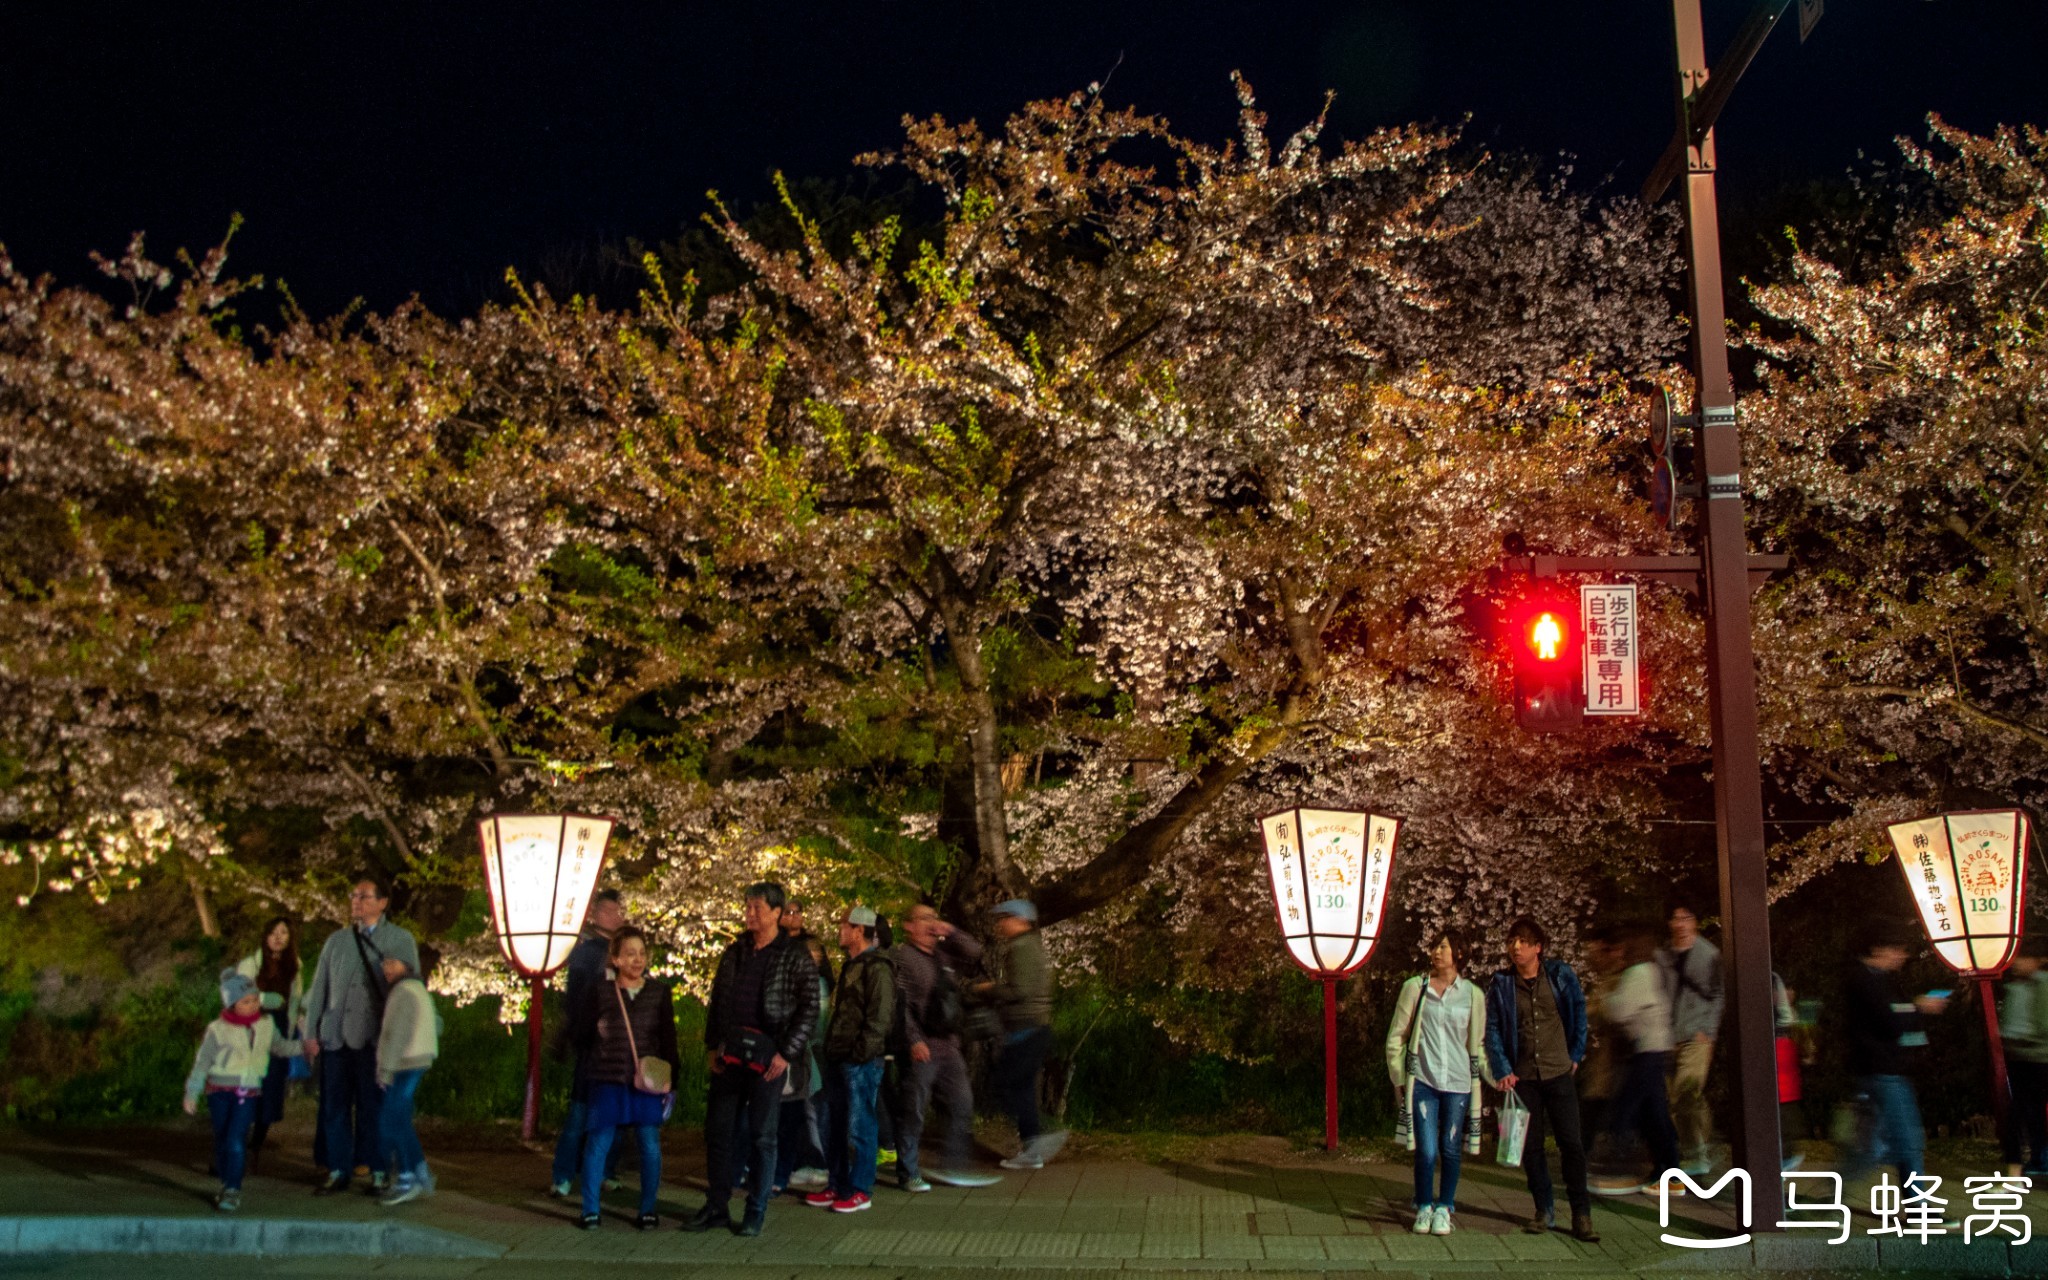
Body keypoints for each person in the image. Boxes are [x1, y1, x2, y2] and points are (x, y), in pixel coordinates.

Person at [685, 882, 820, 1237]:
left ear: (777, 911)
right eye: (747, 906)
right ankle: (716, 1204)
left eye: (757, 907)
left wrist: (786, 1052)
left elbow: (809, 1008)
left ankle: (755, 1209)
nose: (749, 912)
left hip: (768, 1057)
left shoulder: (794, 954)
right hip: (730, 1054)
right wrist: (713, 1045)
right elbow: (718, 1000)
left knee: (762, 1135)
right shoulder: (735, 951)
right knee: (718, 1130)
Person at [302, 875, 419, 1195]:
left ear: (382, 902)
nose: (357, 901)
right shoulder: (336, 940)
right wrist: (311, 1032)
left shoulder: (400, 939)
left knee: (373, 1106)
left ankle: (378, 1169)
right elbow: (319, 989)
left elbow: (413, 986)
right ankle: (338, 1168)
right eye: (354, 896)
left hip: (374, 1036)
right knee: (334, 1105)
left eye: (365, 896)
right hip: (336, 1034)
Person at [1484, 915, 1597, 1243]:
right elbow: (1492, 1028)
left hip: (1558, 1071)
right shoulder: (1502, 983)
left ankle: (1581, 1214)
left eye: (1522, 942)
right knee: (1530, 1147)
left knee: (1571, 1144)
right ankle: (1543, 1209)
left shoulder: (1560, 975)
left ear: (1538, 947)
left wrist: (1575, 1054)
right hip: (1524, 1078)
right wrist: (1502, 1067)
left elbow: (1578, 1014)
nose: (1515, 948)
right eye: (1511, 941)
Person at [570, 925, 680, 1231]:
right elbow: (582, 1033)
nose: (637, 959)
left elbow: (668, 1039)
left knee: (649, 1144)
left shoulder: (659, 993)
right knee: (598, 1143)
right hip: (607, 1078)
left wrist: (673, 1079)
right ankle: (590, 1209)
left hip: (647, 1080)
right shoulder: (600, 992)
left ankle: (647, 1209)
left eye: (642, 953)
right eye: (630, 953)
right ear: (615, 958)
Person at [1385, 928, 1491, 1236]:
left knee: (1450, 1148)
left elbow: (1479, 1043)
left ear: (1458, 954)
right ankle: (1423, 1206)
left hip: (1459, 1081)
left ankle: (1445, 1206)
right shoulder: (1415, 988)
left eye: (1443, 947)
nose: (1436, 952)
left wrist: (1495, 1077)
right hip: (1424, 1081)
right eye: (1434, 946)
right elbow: (1397, 1035)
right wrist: (1399, 1076)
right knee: (1427, 1149)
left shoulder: (1473, 995)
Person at [891, 903, 1000, 1190]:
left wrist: (950, 931)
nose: (930, 923)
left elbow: (975, 952)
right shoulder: (903, 957)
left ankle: (953, 1165)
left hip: (948, 1044)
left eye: (933, 917)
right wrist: (913, 1039)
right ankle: (908, 1171)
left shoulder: (943, 955)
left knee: (962, 1102)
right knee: (914, 1109)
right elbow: (899, 1004)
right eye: (923, 919)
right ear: (909, 926)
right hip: (922, 1045)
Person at [184, 967, 305, 1212]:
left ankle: (232, 1188)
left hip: (247, 1091)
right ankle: (226, 1174)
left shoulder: (266, 1024)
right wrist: (192, 1092)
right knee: (223, 1136)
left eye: (254, 1000)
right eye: (245, 1002)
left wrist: (305, 1047)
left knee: (236, 1138)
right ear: (232, 1004)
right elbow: (202, 1062)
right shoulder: (218, 1029)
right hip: (219, 1090)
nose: (252, 1006)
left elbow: (280, 1047)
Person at [1841, 920, 1948, 1188]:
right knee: (1906, 1140)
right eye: (1896, 950)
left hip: (1879, 1069)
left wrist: (1911, 1009)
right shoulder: (1865, 980)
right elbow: (1889, 1021)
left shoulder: (1876, 979)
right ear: (1878, 949)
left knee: (1870, 1147)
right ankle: (1920, 1208)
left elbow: (1892, 1016)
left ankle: (1828, 1193)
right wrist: (1918, 1008)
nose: (1902, 956)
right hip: (1883, 1070)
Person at [806, 905, 895, 1213]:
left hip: (859, 1061)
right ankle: (838, 1183)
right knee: (832, 1122)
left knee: (860, 1125)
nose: (840, 929)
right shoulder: (852, 965)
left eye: (844, 924)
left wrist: (861, 1053)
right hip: (839, 1056)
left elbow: (879, 1017)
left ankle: (860, 1188)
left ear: (859, 930)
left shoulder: (877, 968)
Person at [550, 889, 627, 1198]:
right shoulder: (585, 952)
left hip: (620, 1046)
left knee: (616, 1113)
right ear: (595, 913)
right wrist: (571, 1032)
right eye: (606, 910)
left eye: (617, 910)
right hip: (590, 1043)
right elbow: (574, 998)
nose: (612, 915)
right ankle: (563, 1174)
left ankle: (606, 1169)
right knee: (579, 1111)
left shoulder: (627, 950)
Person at [1599, 921, 1681, 1190]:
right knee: (1653, 1112)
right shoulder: (1651, 970)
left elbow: (1618, 1011)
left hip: (1647, 1049)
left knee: (1628, 1107)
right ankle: (1668, 1172)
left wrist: (1605, 997)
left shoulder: (1637, 973)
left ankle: (1622, 1166)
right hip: (1656, 1047)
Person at [984, 899, 1066, 1170]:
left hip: (1025, 1028)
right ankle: (1033, 1148)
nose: (1000, 924)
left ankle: (1042, 1135)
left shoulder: (1022, 948)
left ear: (1020, 920)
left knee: (1005, 1086)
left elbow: (1020, 990)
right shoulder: (1031, 947)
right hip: (1032, 1027)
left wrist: (990, 989)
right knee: (1020, 1089)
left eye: (1005, 918)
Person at [1655, 903, 1723, 1175]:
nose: (1681, 923)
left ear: (1695, 921)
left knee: (1687, 1091)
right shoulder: (1663, 956)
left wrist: (1708, 1029)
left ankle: (1697, 1154)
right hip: (1668, 1035)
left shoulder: (1709, 954)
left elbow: (1719, 993)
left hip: (1697, 1034)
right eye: (1676, 918)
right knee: (1678, 1098)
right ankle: (1704, 1144)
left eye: (1686, 917)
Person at [235, 916, 303, 1169]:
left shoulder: (294, 966)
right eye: (273, 932)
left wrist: (294, 1026)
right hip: (253, 1028)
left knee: (271, 1088)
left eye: (284, 932)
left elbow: (295, 999)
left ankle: (256, 1146)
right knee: (248, 1086)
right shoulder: (251, 964)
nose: (278, 937)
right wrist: (263, 998)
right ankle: (235, 1144)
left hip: (280, 1025)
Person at [374, 953, 440, 1206]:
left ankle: (407, 1177)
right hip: (419, 1059)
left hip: (405, 1062)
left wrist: (385, 1069)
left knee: (390, 1122)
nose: (386, 968)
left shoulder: (403, 992)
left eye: (392, 962)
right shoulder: (418, 989)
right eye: (384, 964)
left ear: (407, 964)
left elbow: (396, 1034)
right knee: (400, 1120)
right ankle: (420, 1171)